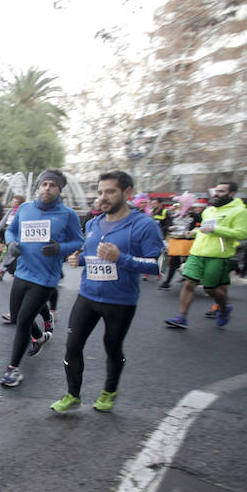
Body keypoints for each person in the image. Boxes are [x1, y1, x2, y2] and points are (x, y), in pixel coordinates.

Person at [50, 171, 163, 413]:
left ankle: (110, 390)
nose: (103, 197)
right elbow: (93, 256)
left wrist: (121, 258)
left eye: (110, 191)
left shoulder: (144, 225)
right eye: (100, 192)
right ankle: (72, 394)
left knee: (112, 347)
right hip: (88, 295)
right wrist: (78, 259)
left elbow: (155, 266)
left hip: (120, 301)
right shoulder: (92, 223)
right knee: (72, 345)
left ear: (127, 193)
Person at [0, 169, 83, 387]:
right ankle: (40, 337)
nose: (47, 188)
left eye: (52, 185)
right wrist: (11, 243)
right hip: (21, 273)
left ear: (59, 189)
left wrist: (60, 248)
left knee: (23, 322)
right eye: (44, 184)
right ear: (39, 186)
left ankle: (13, 370)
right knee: (17, 318)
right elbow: (11, 231)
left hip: (45, 278)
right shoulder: (25, 208)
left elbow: (78, 241)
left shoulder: (68, 215)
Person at [165, 181, 247, 329]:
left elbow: (243, 234)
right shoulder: (209, 211)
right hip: (197, 252)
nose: (216, 194)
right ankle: (181, 318)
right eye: (216, 191)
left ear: (232, 194)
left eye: (221, 191)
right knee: (188, 283)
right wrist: (193, 232)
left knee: (210, 288)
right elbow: (205, 228)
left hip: (218, 255)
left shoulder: (240, 211)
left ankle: (224, 307)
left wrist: (216, 229)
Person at [159, 192, 200, 290]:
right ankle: (167, 282)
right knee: (174, 262)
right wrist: (171, 228)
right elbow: (168, 225)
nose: (180, 205)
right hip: (175, 241)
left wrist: (192, 232)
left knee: (188, 262)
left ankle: (189, 279)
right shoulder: (175, 214)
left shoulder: (194, 216)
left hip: (188, 241)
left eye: (182, 203)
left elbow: (200, 227)